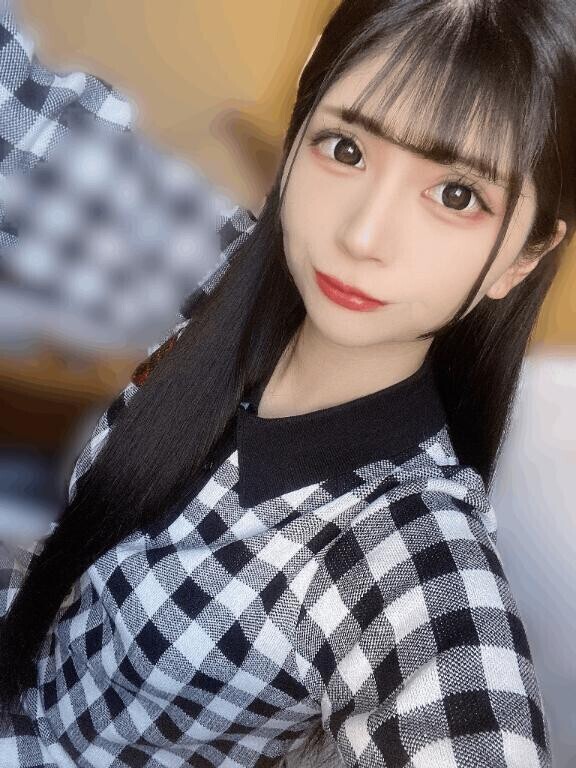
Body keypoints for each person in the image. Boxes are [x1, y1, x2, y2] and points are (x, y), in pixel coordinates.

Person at [0, 0, 573, 766]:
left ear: (524, 257)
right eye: (346, 148)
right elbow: (26, 116)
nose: (362, 235)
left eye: (457, 195)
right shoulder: (225, 273)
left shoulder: (404, 551)